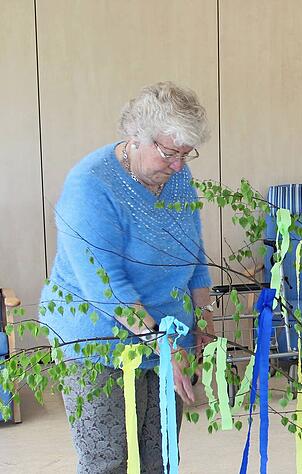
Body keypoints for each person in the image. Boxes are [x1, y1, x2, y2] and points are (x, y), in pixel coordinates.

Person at [40, 82, 215, 473]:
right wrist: (164, 345)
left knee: (161, 454)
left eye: (187, 154)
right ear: (134, 135)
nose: (179, 166)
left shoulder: (178, 177)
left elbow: (193, 250)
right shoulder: (90, 186)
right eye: (170, 153)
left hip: (167, 333)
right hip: (96, 338)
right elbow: (109, 290)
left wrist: (203, 316)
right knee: (109, 459)